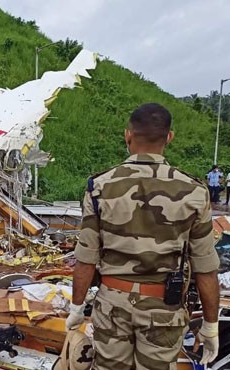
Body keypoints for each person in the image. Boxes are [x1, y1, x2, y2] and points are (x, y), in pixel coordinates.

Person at [67, 103, 220, 369]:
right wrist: (210, 324)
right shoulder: (194, 191)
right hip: (164, 309)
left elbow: (86, 258)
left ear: (128, 135)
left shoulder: (100, 187)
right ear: (169, 137)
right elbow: (206, 267)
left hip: (112, 303)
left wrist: (77, 307)